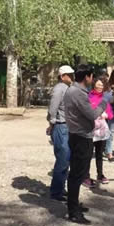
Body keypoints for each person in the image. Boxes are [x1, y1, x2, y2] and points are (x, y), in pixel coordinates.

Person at [64, 65, 111, 225]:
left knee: (77, 173)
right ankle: (73, 212)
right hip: (81, 137)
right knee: (77, 174)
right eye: (91, 76)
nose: (93, 79)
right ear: (87, 77)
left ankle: (74, 205)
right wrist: (104, 102)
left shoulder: (74, 91)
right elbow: (92, 114)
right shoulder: (78, 92)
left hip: (78, 135)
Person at [46, 65, 74, 202]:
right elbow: (53, 109)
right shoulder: (59, 89)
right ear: (62, 76)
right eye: (70, 75)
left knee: (66, 160)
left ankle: (60, 188)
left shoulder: (67, 88)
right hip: (60, 126)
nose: (72, 77)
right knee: (62, 160)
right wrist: (51, 124)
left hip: (66, 126)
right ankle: (56, 191)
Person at [88, 77, 113, 186]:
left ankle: (100, 174)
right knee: (88, 154)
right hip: (90, 130)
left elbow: (111, 114)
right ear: (93, 85)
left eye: (102, 85)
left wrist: (107, 115)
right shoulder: (88, 97)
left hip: (101, 131)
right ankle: (86, 175)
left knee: (99, 154)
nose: (100, 87)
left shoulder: (104, 99)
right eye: (98, 85)